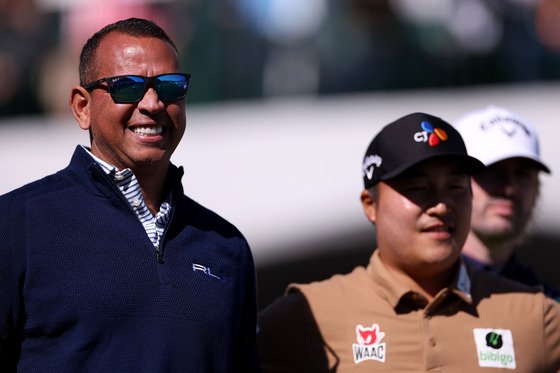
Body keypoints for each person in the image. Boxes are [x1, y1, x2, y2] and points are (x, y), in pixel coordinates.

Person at [0, 18, 260, 372]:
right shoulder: (16, 224)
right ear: (82, 107)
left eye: (169, 87)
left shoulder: (227, 247)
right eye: (127, 87)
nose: (152, 103)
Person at [257, 112, 560, 372]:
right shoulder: (307, 314)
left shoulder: (536, 315)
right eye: (418, 188)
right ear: (370, 205)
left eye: (456, 187)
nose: (441, 206)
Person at [454, 106, 560, 301]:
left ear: (537, 190)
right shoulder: (416, 292)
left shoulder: (549, 308)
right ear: (453, 185)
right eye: (492, 171)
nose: (509, 188)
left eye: (522, 174)